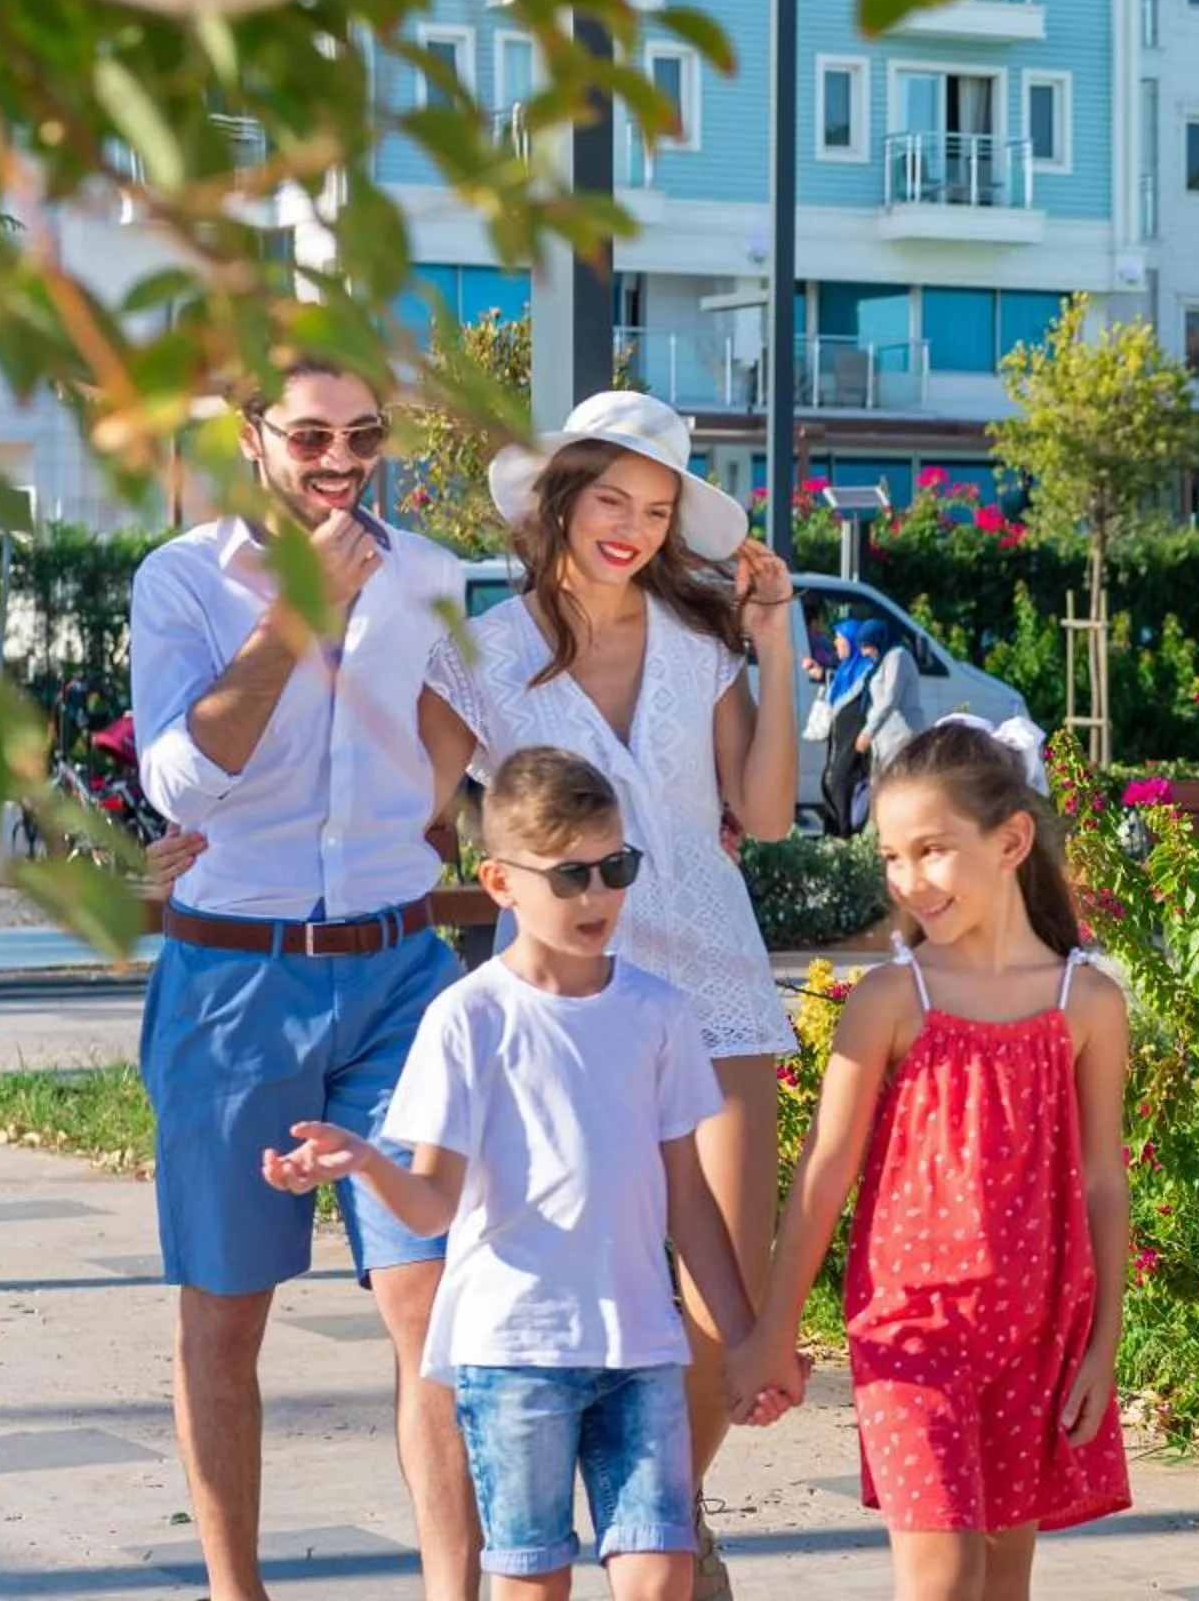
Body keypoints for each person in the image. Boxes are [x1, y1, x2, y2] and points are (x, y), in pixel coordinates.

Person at [260, 748, 803, 1601]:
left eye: (615, 868)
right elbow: (434, 1204)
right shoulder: (467, 1019)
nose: (597, 897)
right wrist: (363, 1161)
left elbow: (688, 1202)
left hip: (640, 1351)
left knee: (660, 1577)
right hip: (512, 1356)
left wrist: (746, 1346)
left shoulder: (657, 1014)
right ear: (502, 883)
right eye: (571, 875)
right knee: (532, 1582)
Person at [418, 389, 800, 1600]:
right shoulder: (477, 650)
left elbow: (775, 813)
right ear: (563, 497)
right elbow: (414, 814)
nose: (630, 527)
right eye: (610, 499)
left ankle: (661, 1517)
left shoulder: (701, 644)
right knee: (570, 1275)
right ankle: (651, 1539)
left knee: (728, 1295)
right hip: (561, 1003)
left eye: (655, 508)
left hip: (720, 986)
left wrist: (775, 643)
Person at [128, 358, 479, 1601]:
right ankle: (238, 1590)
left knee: (432, 1301)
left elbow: (470, 714)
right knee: (226, 1310)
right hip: (234, 982)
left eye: (365, 431)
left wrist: (422, 817)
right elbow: (176, 781)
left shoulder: (430, 572)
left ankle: (458, 1587)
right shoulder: (182, 578)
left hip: (399, 975)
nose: (342, 457)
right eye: (313, 433)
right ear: (253, 435)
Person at [730, 718, 1131, 1601]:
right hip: (911, 1338)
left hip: (1038, 1344)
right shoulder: (888, 1000)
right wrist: (771, 1334)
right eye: (891, 858)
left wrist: (1104, 1344)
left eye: (932, 851)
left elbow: (1104, 1180)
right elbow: (825, 1171)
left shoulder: (1088, 1004)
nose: (909, 881)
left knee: (1000, 1580)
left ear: (1011, 841)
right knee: (942, 1578)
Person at [817, 617, 920, 836]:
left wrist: (867, 732)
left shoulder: (897, 657)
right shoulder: (881, 659)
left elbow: (890, 698)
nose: (865, 652)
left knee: (898, 794)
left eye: (867, 646)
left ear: (878, 641)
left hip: (899, 739)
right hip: (882, 743)